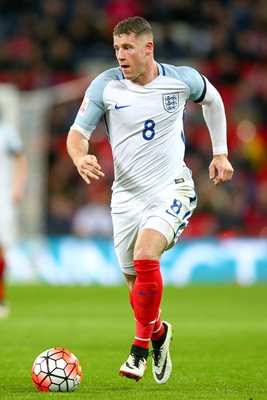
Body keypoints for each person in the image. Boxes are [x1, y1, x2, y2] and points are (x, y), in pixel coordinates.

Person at [67, 16, 234, 384]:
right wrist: (81, 157)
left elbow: (214, 100)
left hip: (170, 188)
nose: (120, 56)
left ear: (148, 48)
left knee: (145, 255)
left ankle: (139, 349)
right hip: (125, 197)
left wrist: (220, 153)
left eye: (127, 48)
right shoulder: (106, 86)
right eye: (116, 48)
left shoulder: (181, 79)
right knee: (134, 287)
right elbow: (77, 133)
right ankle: (158, 331)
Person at [0, 113, 26, 318]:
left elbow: (20, 160)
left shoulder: (6, 131)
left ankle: (1, 298)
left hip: (2, 196)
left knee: (1, 248)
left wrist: (17, 187)